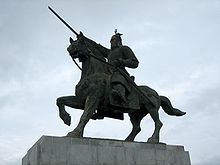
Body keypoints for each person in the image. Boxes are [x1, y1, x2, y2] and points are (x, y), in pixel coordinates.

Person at [82, 31, 139, 106]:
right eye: (110, 40)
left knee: (118, 79)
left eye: (113, 40)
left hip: (120, 72)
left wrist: (121, 61)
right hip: (108, 73)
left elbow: (135, 62)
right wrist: (84, 39)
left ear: (118, 41)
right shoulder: (109, 53)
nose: (111, 42)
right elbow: (97, 46)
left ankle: (120, 96)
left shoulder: (124, 49)